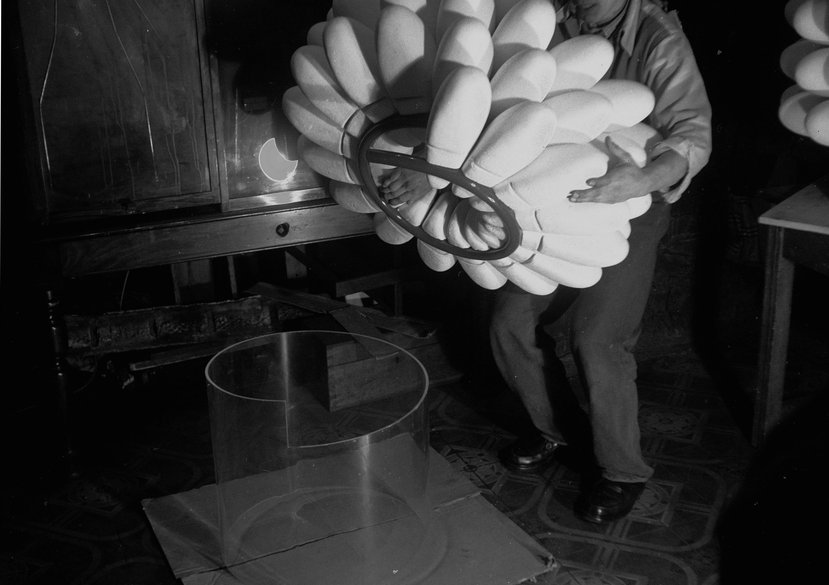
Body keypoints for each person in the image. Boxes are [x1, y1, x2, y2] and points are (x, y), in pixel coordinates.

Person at [380, 0, 712, 524]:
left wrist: (643, 179)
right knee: (510, 325)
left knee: (597, 339)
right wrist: (434, 163)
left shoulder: (657, 36)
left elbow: (693, 134)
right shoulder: (543, 15)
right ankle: (556, 431)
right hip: (533, 206)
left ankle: (622, 471)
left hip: (624, 206)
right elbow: (479, 103)